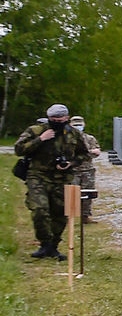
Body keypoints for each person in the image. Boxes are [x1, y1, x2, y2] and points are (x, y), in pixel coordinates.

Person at [14, 104, 90, 259]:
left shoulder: (74, 134)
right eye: (52, 119)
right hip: (38, 176)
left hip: (63, 178)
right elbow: (19, 149)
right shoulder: (36, 131)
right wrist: (40, 139)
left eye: (59, 119)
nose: (56, 121)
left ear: (66, 118)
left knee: (61, 213)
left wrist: (71, 163)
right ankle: (45, 243)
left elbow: (84, 155)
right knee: (40, 210)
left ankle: (53, 246)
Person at [69, 114, 103, 223]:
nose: (78, 127)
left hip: (87, 170)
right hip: (72, 170)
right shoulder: (66, 139)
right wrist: (87, 153)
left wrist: (86, 153)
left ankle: (85, 216)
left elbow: (96, 152)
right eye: (75, 125)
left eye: (80, 125)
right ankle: (70, 218)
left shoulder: (89, 138)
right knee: (71, 194)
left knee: (88, 194)